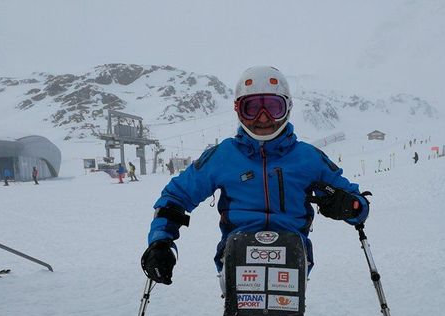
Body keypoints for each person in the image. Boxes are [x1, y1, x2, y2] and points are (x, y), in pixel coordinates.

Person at [140, 65, 369, 286]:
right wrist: (160, 241)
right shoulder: (223, 156)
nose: (263, 118)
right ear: (238, 110)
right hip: (236, 259)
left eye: (273, 107)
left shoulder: (307, 158)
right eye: (252, 108)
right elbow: (176, 197)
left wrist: (349, 205)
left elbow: (356, 203)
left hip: (293, 261)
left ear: (287, 108)